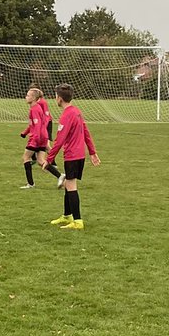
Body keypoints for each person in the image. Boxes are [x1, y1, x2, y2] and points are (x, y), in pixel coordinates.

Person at [45, 83, 100, 230]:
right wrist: (92, 152)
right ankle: (67, 215)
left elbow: (59, 140)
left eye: (55, 96)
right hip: (79, 155)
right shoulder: (77, 111)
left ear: (59, 98)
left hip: (72, 156)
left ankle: (78, 221)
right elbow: (86, 132)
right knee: (68, 185)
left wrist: (49, 159)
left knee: (71, 186)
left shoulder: (66, 115)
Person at [19, 86, 62, 189]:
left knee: (26, 158)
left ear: (33, 98)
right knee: (40, 161)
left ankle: (30, 184)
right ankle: (60, 176)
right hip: (43, 137)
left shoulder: (34, 109)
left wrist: (34, 139)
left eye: (28, 95)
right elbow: (32, 125)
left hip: (37, 138)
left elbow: (37, 126)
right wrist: (25, 133)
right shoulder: (37, 108)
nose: (26, 97)